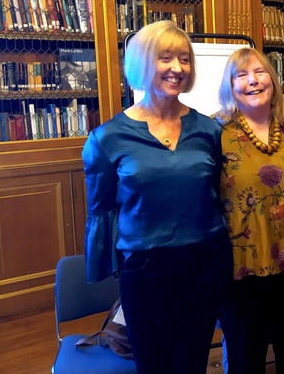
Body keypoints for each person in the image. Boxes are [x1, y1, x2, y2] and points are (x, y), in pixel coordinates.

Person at [82, 20, 232, 374]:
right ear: (142, 63)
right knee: (154, 362)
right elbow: (102, 208)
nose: (177, 68)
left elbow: (218, 193)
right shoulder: (107, 138)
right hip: (146, 269)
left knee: (194, 358)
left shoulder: (210, 130)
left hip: (205, 263)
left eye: (184, 59)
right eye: (166, 58)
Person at [216, 47, 284, 374]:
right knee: (247, 355)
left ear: (273, 80)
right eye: (242, 74)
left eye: (260, 72)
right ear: (230, 86)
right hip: (242, 265)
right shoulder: (215, 132)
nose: (253, 80)